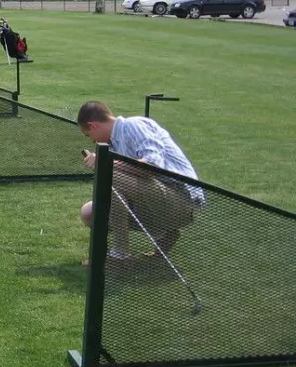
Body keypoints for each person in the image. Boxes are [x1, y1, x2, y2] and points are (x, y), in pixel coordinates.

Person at [77, 101, 206, 265]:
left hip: (183, 199)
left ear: (93, 125)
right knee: (89, 213)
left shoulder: (133, 125)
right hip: (162, 198)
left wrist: (106, 163)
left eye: (88, 135)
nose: (92, 141)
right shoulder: (114, 143)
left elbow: (153, 166)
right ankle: (164, 233)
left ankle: (121, 255)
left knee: (112, 175)